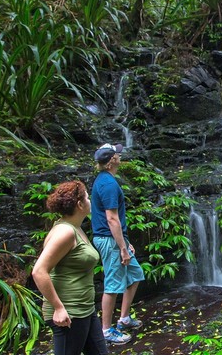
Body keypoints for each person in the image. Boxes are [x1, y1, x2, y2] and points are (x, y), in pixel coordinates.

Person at [32, 180, 108, 355]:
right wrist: (58, 308)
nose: (91, 201)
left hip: (85, 309)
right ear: (80, 204)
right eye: (88, 198)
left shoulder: (75, 228)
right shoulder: (64, 232)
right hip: (69, 313)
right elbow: (39, 271)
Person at [90, 143, 144, 345]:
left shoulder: (105, 180)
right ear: (112, 159)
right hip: (109, 239)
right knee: (112, 285)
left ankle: (124, 318)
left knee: (135, 274)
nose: (121, 156)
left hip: (115, 239)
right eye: (118, 154)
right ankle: (105, 330)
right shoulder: (108, 184)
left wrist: (125, 242)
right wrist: (122, 247)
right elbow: (112, 219)